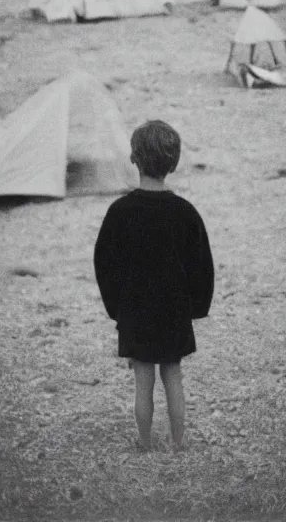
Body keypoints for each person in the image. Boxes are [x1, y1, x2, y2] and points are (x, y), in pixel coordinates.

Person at [94, 120, 214, 452]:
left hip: (135, 311)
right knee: (173, 377)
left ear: (134, 158)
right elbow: (201, 265)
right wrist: (196, 308)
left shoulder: (119, 212)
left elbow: (104, 263)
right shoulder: (185, 213)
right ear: (173, 163)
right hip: (174, 311)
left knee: (142, 380)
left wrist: (116, 306)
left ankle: (144, 441)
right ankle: (179, 440)